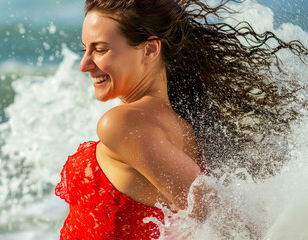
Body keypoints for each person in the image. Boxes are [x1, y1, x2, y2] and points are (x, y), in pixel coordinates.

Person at [55, 0, 308, 239]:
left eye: (100, 50)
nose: (84, 64)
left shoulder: (123, 125)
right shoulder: (184, 125)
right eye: (84, 49)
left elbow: (228, 224)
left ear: (150, 49)